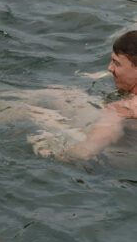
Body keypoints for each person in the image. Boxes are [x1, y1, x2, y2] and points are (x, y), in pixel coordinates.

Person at [36, 31, 137, 161]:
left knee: (46, 105)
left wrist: (54, 154)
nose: (110, 68)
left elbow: (87, 151)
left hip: (124, 158)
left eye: (116, 63)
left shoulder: (125, 108)